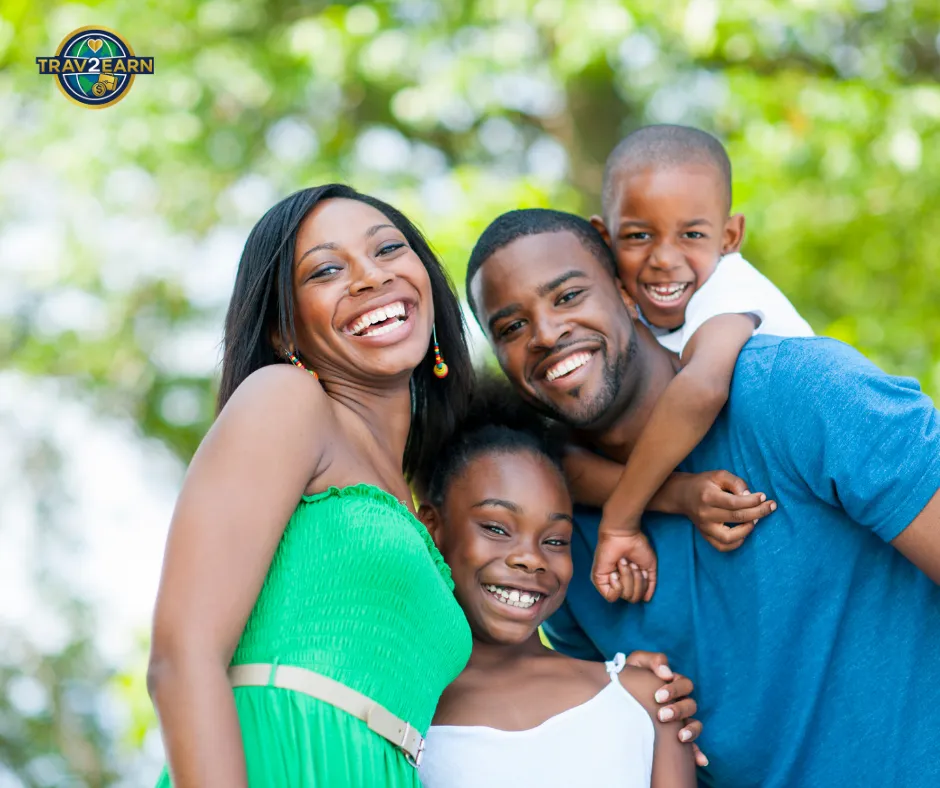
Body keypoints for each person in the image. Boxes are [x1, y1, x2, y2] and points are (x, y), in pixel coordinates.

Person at [465, 207, 940, 787]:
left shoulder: (796, 393)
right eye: (511, 328)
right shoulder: (555, 539)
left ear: (626, 291)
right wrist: (630, 706)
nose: (544, 334)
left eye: (567, 296)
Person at [147, 184, 477, 787]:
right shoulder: (287, 399)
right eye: (326, 270)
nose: (371, 277)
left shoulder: (416, 507)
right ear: (284, 333)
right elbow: (182, 656)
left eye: (388, 249)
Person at [413, 379, 696, 788]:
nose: (531, 558)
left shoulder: (642, 699)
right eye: (496, 528)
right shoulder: (400, 709)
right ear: (431, 529)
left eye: (555, 541)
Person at [574, 125, 814, 602]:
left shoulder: (729, 287)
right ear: (604, 238)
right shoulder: (628, 314)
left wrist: (620, 519)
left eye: (692, 234)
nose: (664, 258)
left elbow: (702, 388)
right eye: (639, 235)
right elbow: (564, 463)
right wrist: (679, 493)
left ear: (729, 236)